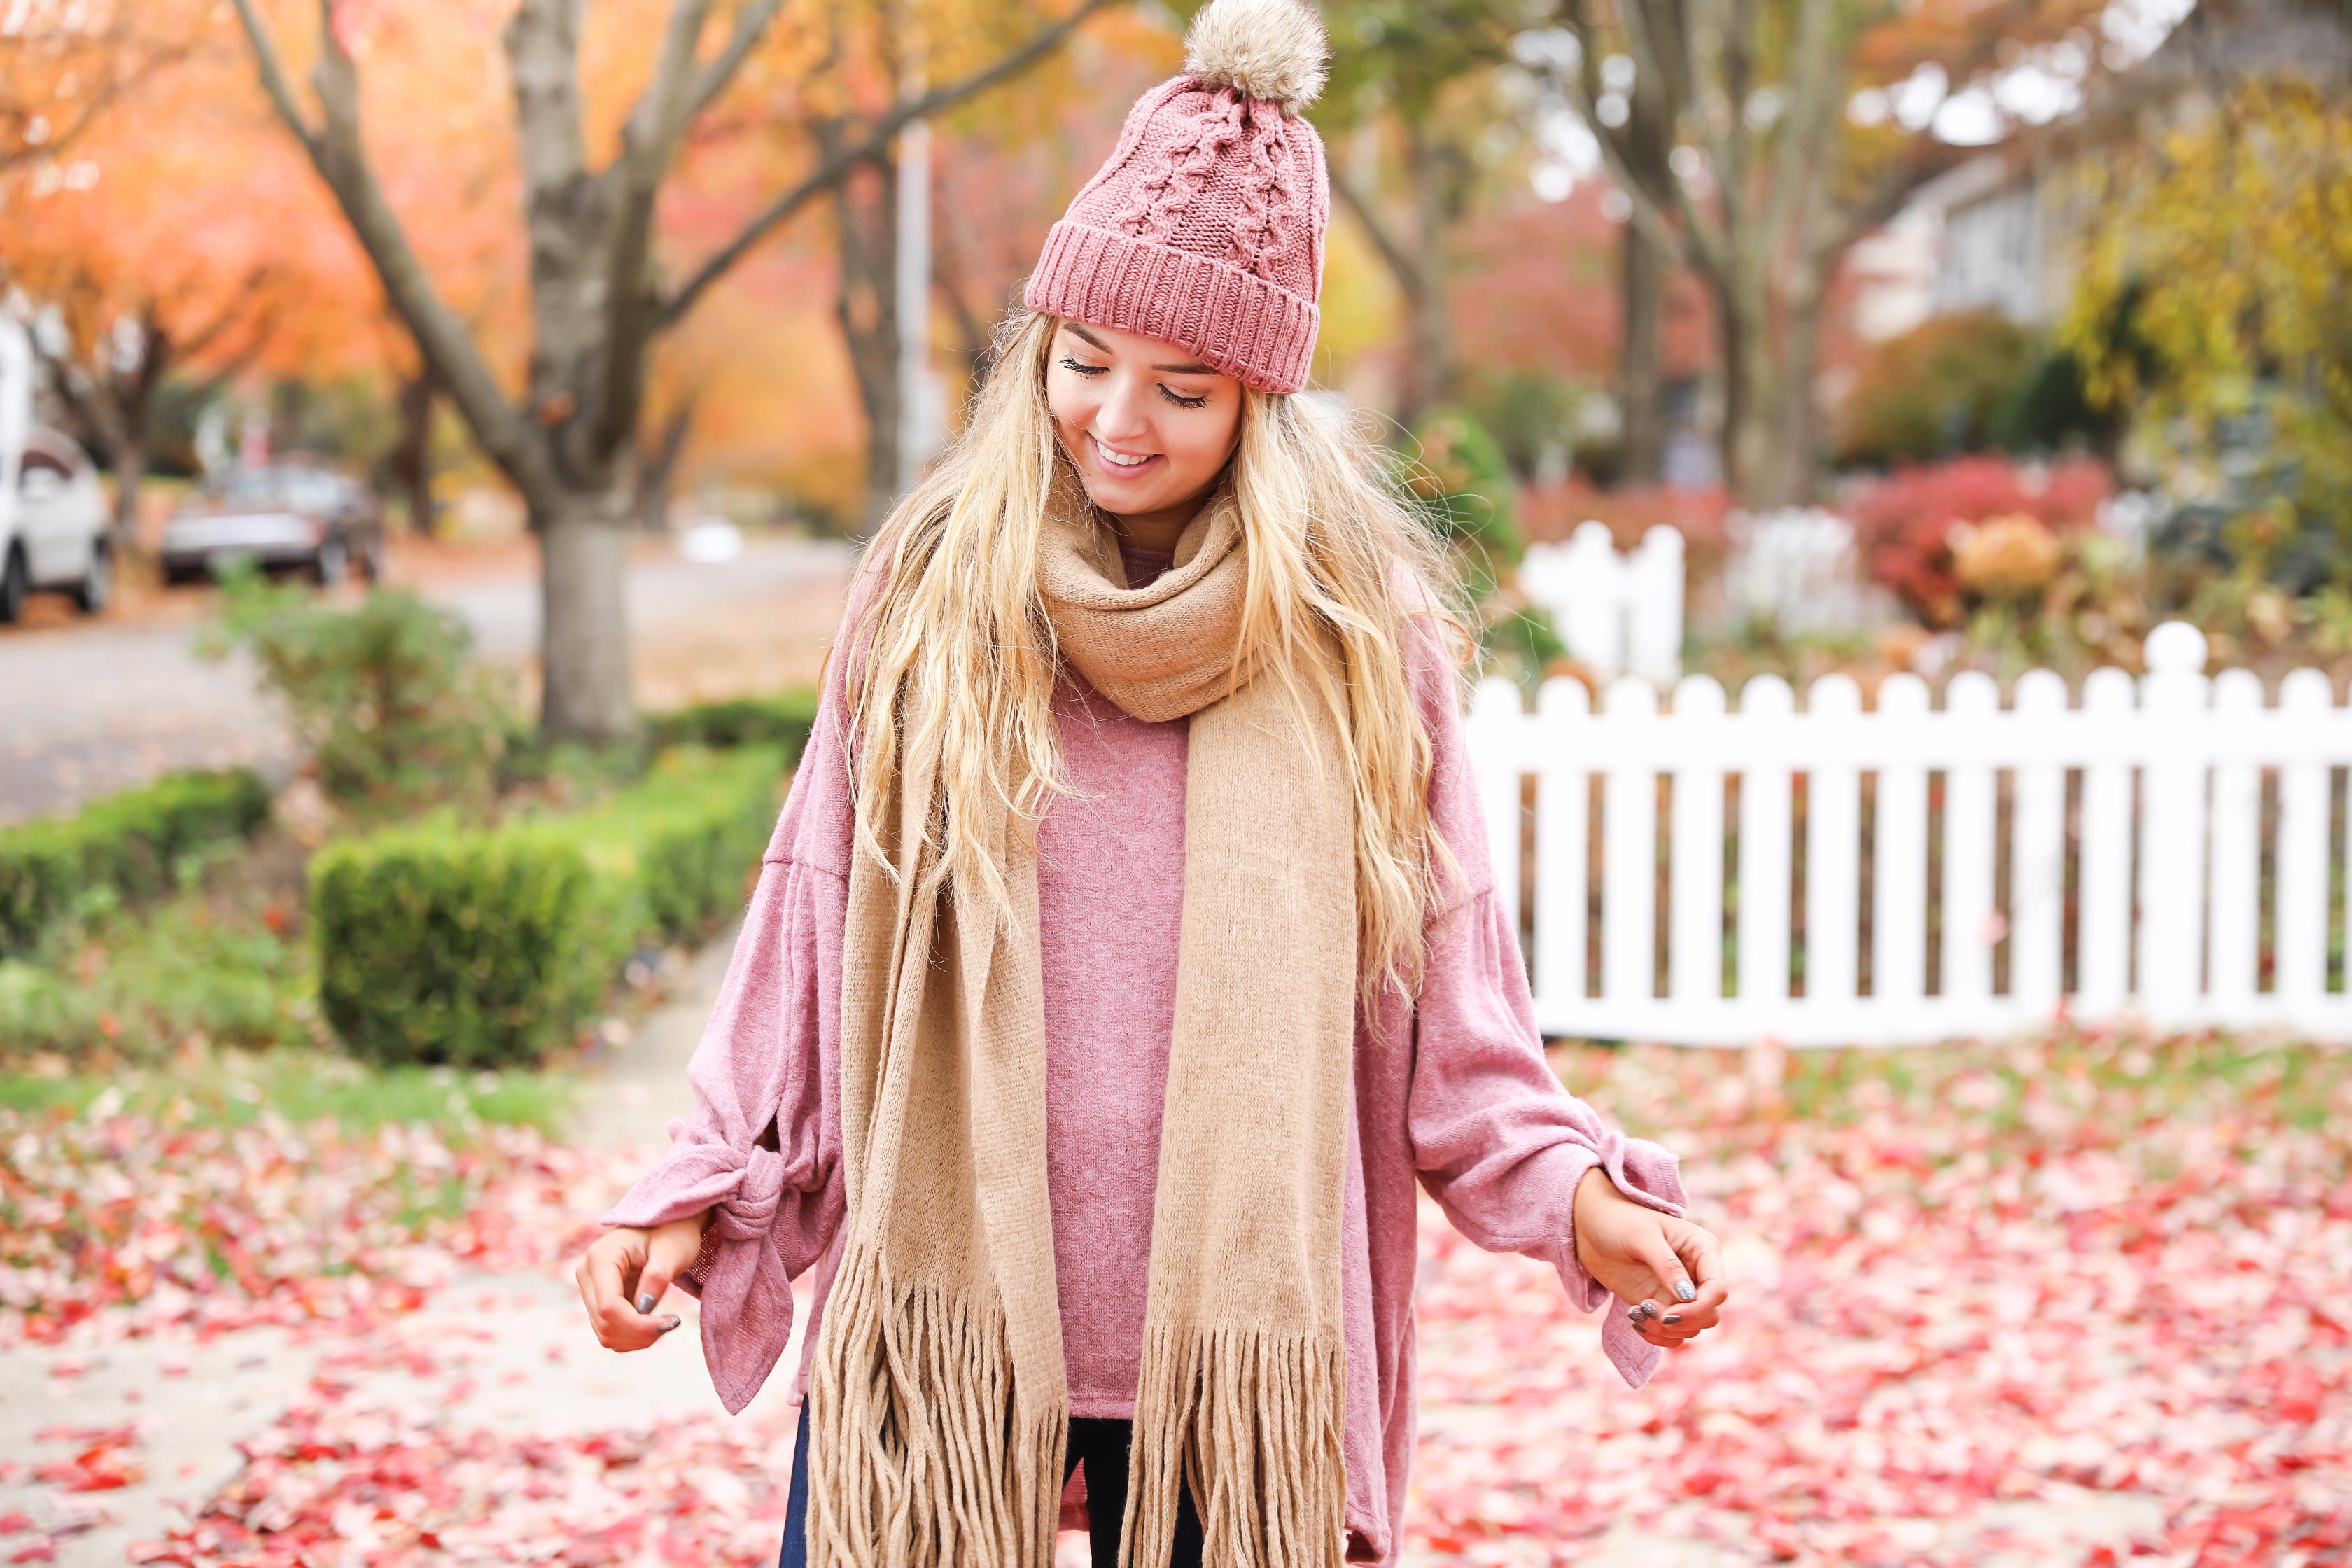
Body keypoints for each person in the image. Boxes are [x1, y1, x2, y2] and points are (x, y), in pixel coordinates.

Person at [575, 1, 1728, 1563]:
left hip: (1233, 1384)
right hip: (950, 1339)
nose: (1118, 421)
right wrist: (690, 1194)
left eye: (1184, 389)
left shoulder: (1355, 641)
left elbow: (1456, 1034)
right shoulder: (934, 599)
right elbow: (811, 921)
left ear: (1262, 405)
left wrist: (1594, 1212)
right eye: (1086, 360)